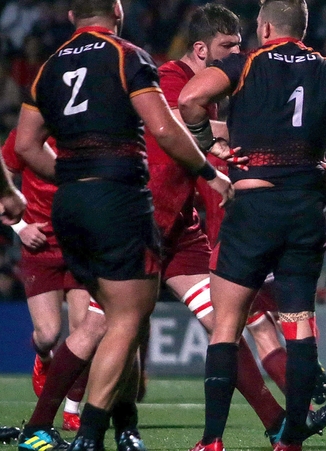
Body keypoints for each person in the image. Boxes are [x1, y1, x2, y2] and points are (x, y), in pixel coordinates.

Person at [177, 1, 326, 450]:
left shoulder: (244, 64)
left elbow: (189, 99)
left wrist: (206, 145)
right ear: (303, 28)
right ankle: (291, 440)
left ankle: (212, 441)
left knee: (227, 326)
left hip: (254, 208)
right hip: (304, 210)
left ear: (263, 26)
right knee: (300, 324)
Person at [13, 1, 234, 450]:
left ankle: (114, 426)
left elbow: (25, 145)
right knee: (129, 319)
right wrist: (211, 173)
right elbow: (166, 130)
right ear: (116, 10)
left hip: (69, 207)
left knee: (109, 320)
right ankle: (91, 435)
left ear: (73, 16)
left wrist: (72, 177)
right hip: (117, 199)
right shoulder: (127, 56)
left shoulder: (48, 68)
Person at [1, 130, 90, 433]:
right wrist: (22, 227)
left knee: (85, 331)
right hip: (40, 246)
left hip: (83, 246)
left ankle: (73, 410)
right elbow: (3, 188)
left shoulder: (90, 128)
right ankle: (43, 357)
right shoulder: (25, 137)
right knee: (48, 335)